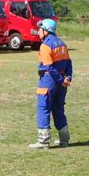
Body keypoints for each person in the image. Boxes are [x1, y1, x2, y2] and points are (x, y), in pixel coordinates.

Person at [29, 19, 73, 149]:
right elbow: (69, 63)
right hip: (62, 80)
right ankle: (64, 139)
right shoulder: (62, 43)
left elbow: (49, 67)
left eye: (39, 29)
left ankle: (43, 141)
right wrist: (67, 78)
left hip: (49, 80)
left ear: (46, 30)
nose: (38, 32)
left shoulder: (46, 45)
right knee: (58, 108)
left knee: (43, 107)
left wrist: (60, 79)